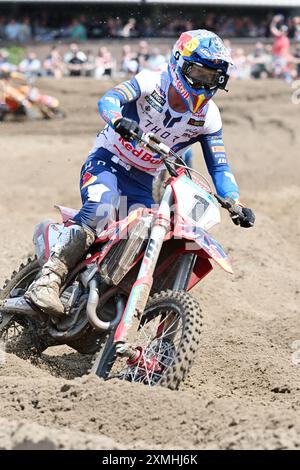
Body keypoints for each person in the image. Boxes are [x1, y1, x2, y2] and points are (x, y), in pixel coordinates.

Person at [25, 29, 255, 316]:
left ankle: (106, 301)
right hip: (107, 162)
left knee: (148, 237)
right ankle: (48, 280)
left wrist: (234, 201)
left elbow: (219, 165)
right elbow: (108, 100)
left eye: (212, 77)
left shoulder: (209, 117)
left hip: (143, 182)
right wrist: (120, 121)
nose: (205, 82)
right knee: (101, 207)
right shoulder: (153, 81)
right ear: (179, 63)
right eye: (199, 72)